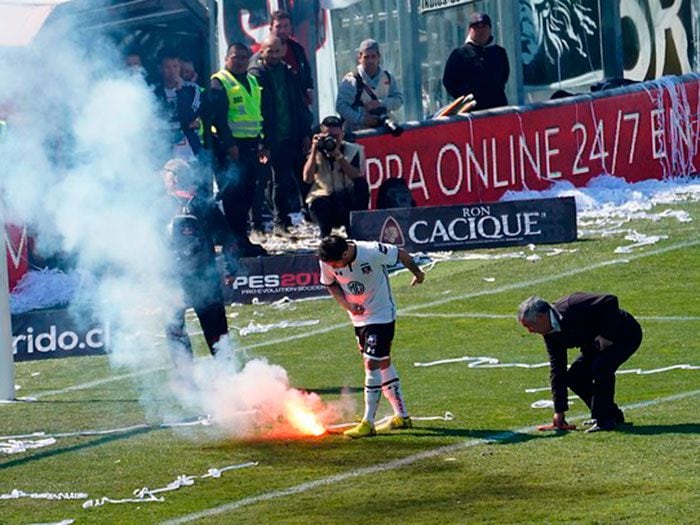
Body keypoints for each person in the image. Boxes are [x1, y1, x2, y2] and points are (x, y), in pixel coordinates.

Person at [318, 235, 425, 438]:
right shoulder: (327, 260)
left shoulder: (371, 251)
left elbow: (400, 253)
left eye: (335, 263)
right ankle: (402, 417)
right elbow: (330, 284)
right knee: (383, 362)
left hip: (381, 314)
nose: (333, 267)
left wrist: (418, 274)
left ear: (344, 253)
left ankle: (368, 422)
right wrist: (348, 306)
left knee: (371, 364)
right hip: (359, 319)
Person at [518, 293, 643, 433]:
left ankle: (605, 420)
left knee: (601, 367)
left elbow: (610, 300)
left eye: (530, 325)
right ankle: (611, 415)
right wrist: (559, 411)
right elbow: (557, 370)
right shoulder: (550, 335)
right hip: (596, 344)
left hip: (625, 333)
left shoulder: (571, 304)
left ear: (541, 316)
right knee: (575, 377)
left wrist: (606, 336)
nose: (530, 331)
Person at [161, 158, 239, 371]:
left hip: (173, 277)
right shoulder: (205, 203)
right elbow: (229, 239)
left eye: (165, 174)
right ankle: (228, 373)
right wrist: (231, 268)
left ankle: (186, 376)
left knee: (174, 327)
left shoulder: (160, 205)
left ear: (173, 178)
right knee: (215, 327)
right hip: (205, 275)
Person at [249, 34, 312, 235]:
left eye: (278, 51)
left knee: (283, 181)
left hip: (288, 135)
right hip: (266, 137)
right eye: (270, 51)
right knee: (260, 183)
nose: (274, 55)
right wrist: (261, 141)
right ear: (262, 51)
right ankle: (257, 225)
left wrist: (304, 133)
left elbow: (299, 106)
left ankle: (282, 221)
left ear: (283, 51)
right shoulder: (254, 74)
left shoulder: (288, 73)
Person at [208, 42, 267, 256]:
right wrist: (230, 145)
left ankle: (243, 239)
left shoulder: (251, 80)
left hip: (251, 145)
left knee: (248, 194)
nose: (240, 61)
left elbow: (256, 114)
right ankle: (233, 243)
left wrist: (261, 142)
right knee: (233, 196)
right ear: (226, 58)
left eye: (244, 57)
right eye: (236, 57)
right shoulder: (219, 82)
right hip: (231, 148)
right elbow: (219, 118)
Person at [303, 116, 368, 238]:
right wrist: (314, 150)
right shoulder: (315, 152)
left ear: (342, 134)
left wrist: (339, 156)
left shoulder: (354, 150)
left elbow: (357, 175)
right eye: (328, 136)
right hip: (325, 199)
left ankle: (355, 231)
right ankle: (325, 234)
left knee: (361, 185)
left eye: (336, 136)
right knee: (319, 203)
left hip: (345, 199)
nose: (332, 140)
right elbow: (307, 178)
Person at [442, 12, 510, 111]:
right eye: (476, 27)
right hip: (472, 113)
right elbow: (449, 81)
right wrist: (465, 99)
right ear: (470, 30)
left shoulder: (499, 52)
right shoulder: (459, 54)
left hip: (499, 109)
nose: (480, 30)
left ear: (490, 29)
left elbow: (504, 76)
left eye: (484, 27)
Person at [336, 39, 403, 133]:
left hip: (383, 129)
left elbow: (399, 99)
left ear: (379, 57)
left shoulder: (387, 77)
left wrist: (381, 104)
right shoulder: (351, 80)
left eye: (373, 56)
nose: (370, 61)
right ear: (360, 58)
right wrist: (361, 119)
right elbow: (341, 106)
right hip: (358, 133)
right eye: (366, 57)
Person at [154, 50, 202, 161]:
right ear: (160, 69)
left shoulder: (192, 89)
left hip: (189, 150)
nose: (172, 71)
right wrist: (184, 124)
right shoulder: (154, 91)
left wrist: (180, 91)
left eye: (175, 66)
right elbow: (155, 119)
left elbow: (190, 116)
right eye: (167, 67)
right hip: (163, 149)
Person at [269, 9, 314, 106]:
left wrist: (309, 88)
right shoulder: (265, 53)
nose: (282, 30)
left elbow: (306, 70)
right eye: (278, 26)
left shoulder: (297, 49)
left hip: (298, 102)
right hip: (277, 103)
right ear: (271, 28)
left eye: (286, 26)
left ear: (291, 28)